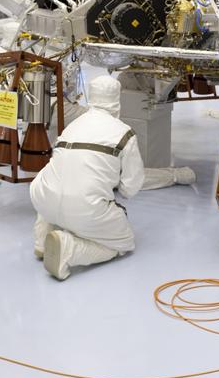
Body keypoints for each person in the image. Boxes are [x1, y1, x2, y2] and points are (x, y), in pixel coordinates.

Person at [30, 75, 145, 280]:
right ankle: (68, 248)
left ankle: (41, 239)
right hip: (84, 207)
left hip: (42, 197)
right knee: (124, 242)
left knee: (56, 179)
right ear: (117, 99)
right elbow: (130, 187)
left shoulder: (73, 125)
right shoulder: (124, 133)